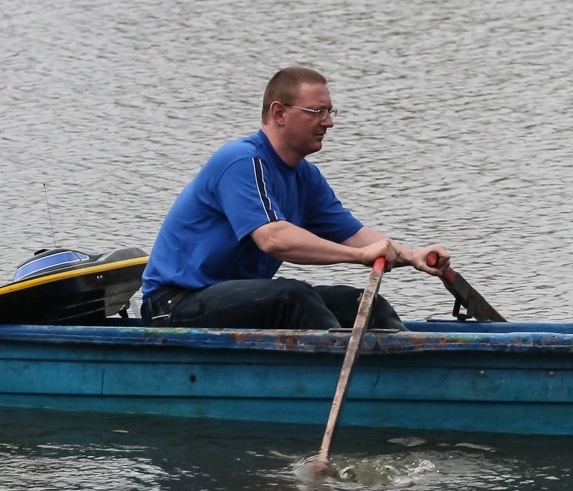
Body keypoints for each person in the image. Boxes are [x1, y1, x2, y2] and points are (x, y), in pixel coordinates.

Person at [138, 67, 450, 329]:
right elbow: (273, 238)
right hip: (174, 304)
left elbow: (353, 234)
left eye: (330, 112)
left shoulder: (305, 177)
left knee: (367, 306)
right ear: (279, 113)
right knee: (293, 297)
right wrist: (359, 256)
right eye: (317, 112)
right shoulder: (241, 162)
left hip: (231, 298)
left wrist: (412, 255)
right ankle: (328, 373)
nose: (328, 122)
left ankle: (408, 372)